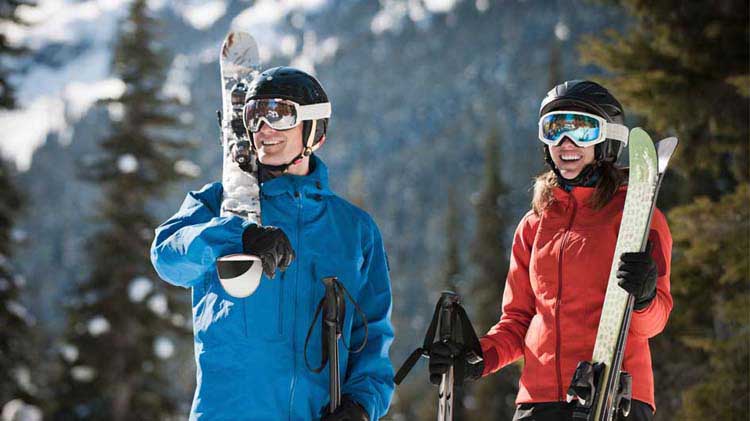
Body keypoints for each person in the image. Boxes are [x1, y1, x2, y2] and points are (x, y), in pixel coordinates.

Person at [151, 66, 394, 420]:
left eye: (279, 115)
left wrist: (360, 406)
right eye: (254, 116)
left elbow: (372, 337)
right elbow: (166, 255)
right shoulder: (218, 204)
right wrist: (237, 235)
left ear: (315, 130)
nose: (264, 129)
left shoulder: (355, 231)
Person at [428, 80, 672, 420]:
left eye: (581, 130)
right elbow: (517, 321)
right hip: (538, 400)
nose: (565, 143)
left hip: (614, 397)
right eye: (554, 130)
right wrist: (476, 358)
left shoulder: (637, 215)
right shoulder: (534, 224)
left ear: (608, 139)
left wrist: (644, 298)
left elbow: (656, 320)